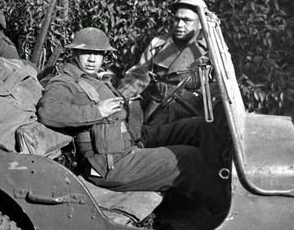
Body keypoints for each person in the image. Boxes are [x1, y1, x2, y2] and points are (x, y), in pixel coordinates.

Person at [37, 27, 221, 201]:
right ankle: (207, 210)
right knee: (188, 158)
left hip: (129, 141)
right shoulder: (65, 82)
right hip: (110, 164)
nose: (93, 59)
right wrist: (97, 111)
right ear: (75, 53)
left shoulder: (95, 78)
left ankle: (218, 180)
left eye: (98, 53)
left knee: (198, 126)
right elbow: (48, 111)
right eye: (87, 53)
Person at [119, 0, 213, 126]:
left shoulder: (212, 49)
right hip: (159, 110)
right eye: (177, 19)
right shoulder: (159, 44)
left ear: (201, 23)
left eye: (187, 20)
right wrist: (120, 100)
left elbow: (222, 87)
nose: (179, 25)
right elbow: (138, 76)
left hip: (194, 113)